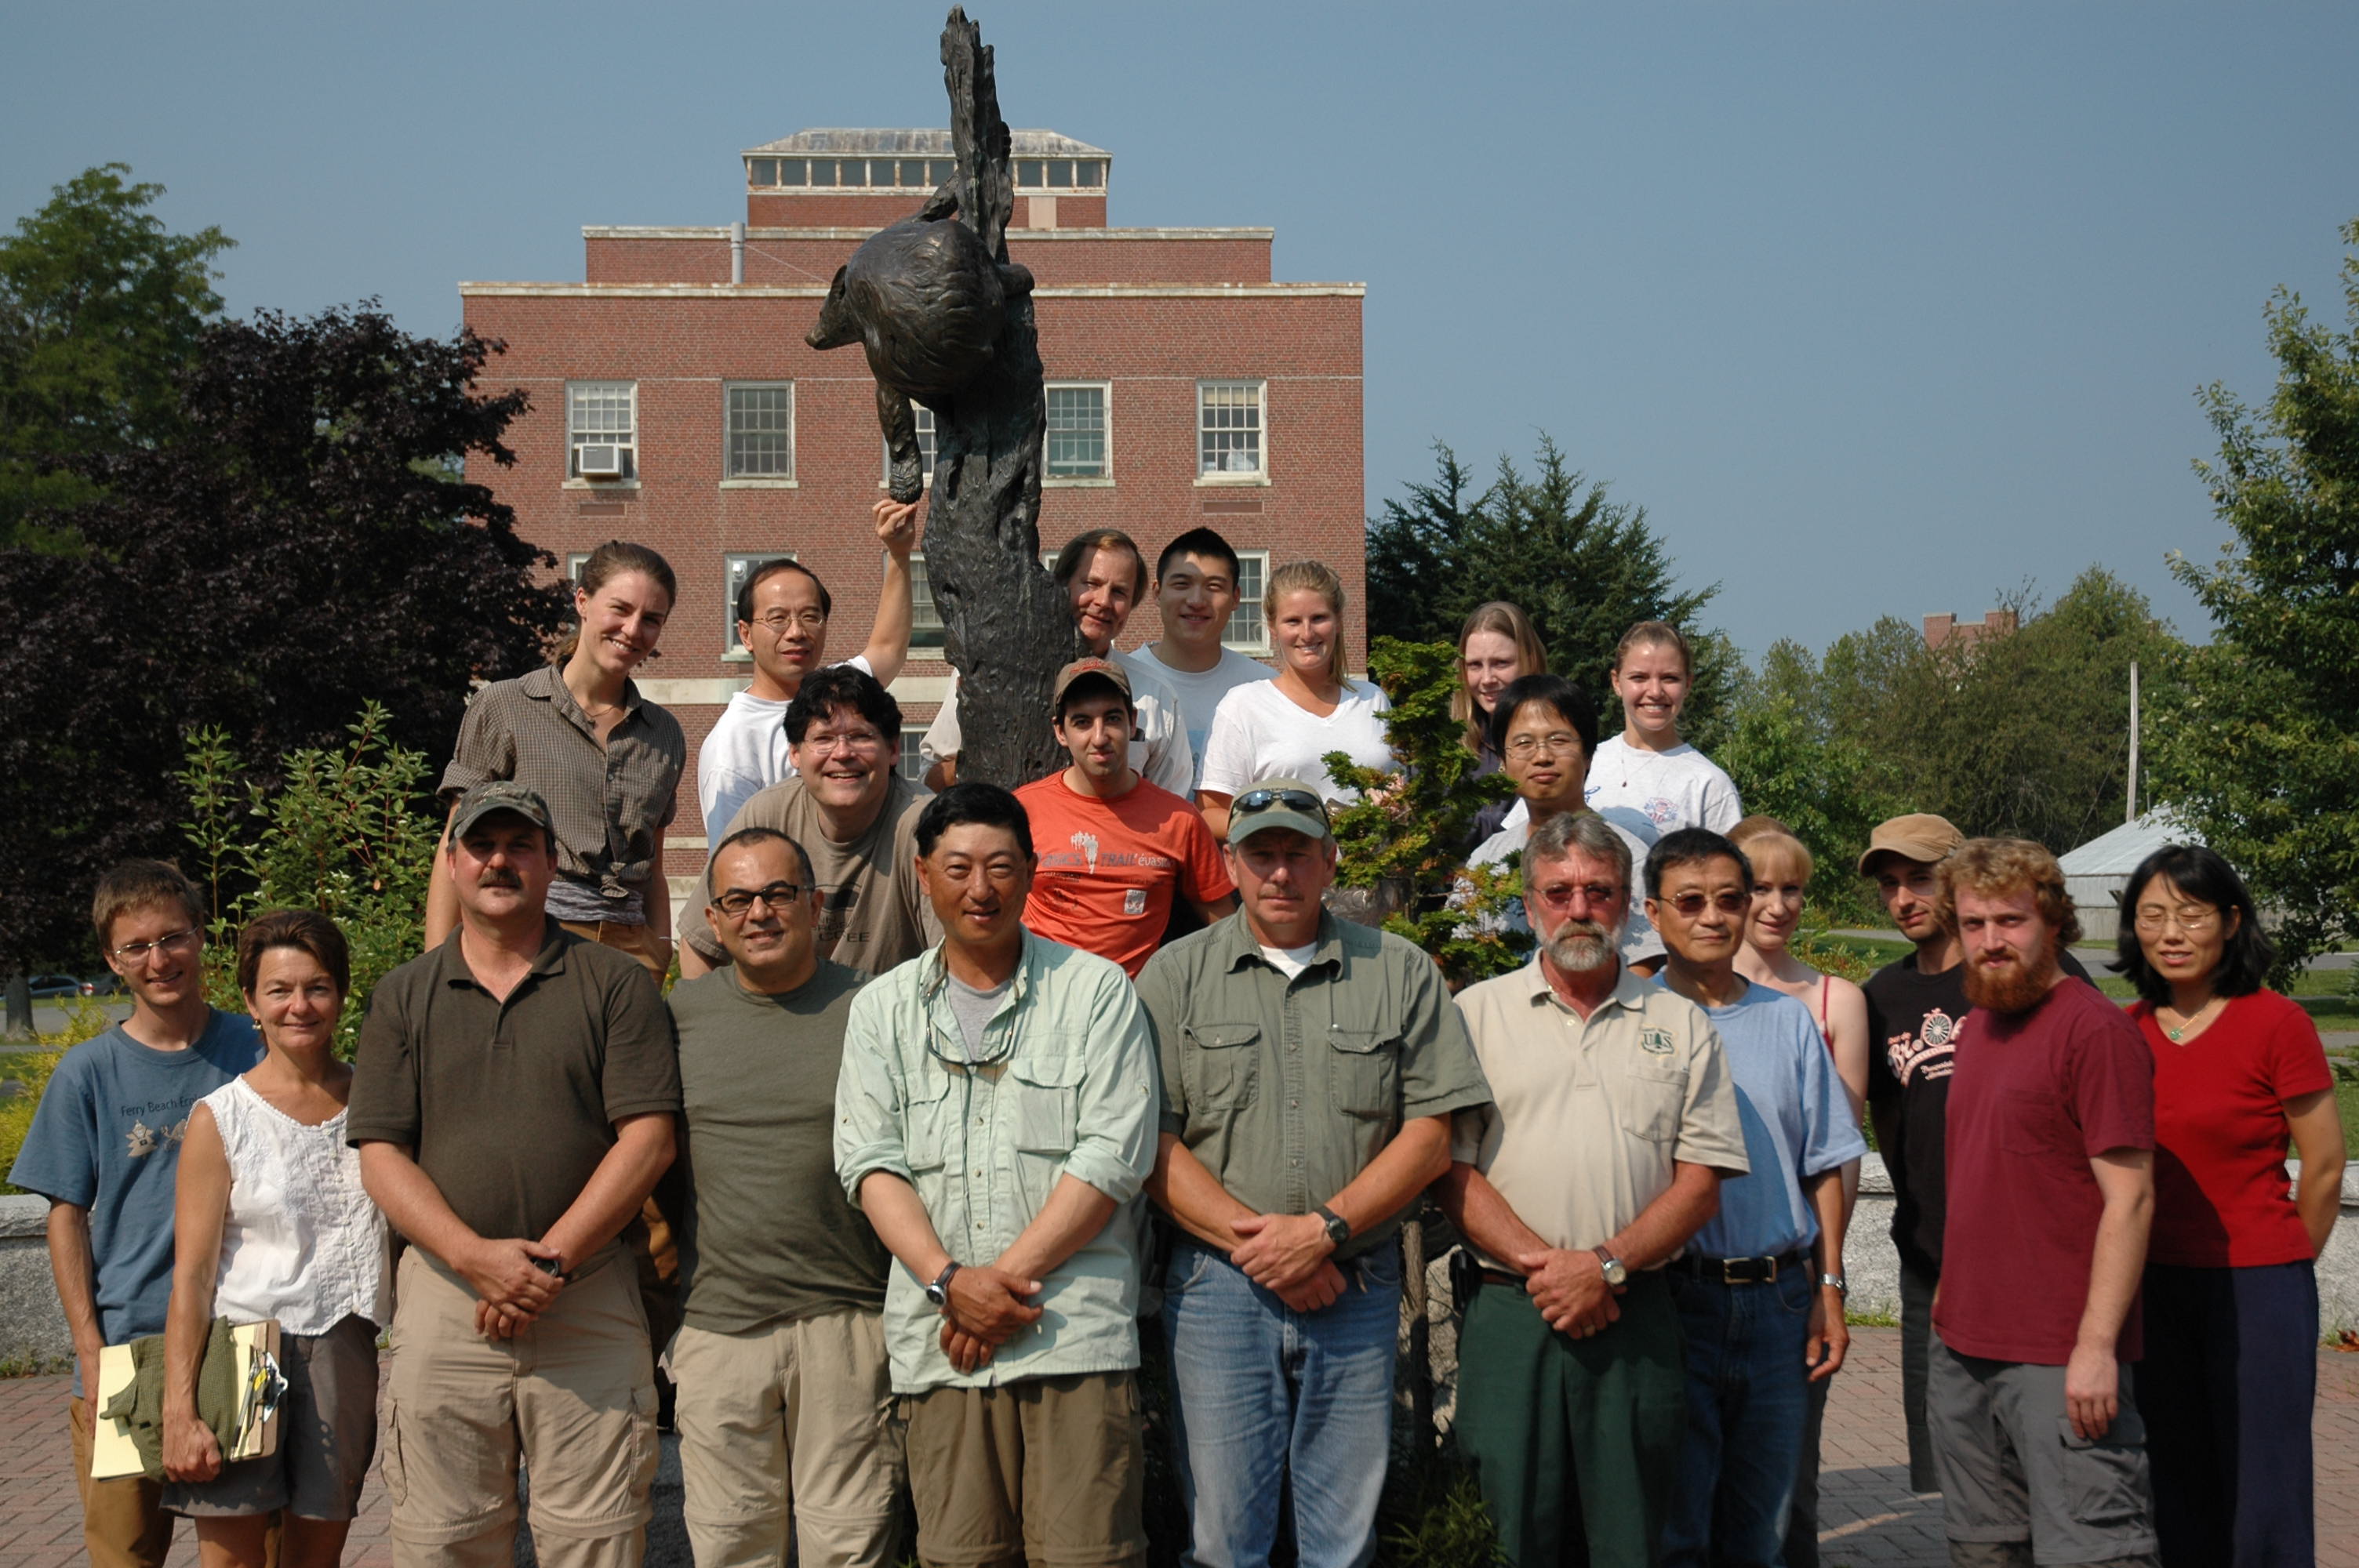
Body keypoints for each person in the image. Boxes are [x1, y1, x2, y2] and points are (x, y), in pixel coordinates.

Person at [1139, 779, 1492, 1568]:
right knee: (1225, 1539)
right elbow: (1151, 1145)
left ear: (1330, 862)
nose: (1279, 872)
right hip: (1217, 1292)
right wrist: (1270, 1248)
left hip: (1353, 1283)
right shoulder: (1172, 976)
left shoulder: (1397, 970)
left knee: (1341, 1539)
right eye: (1259, 853)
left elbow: (1431, 1131)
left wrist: (1322, 1233)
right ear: (1229, 864)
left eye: (1297, 852)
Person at [350, 780, 681, 1568]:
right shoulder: (404, 995)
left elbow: (648, 1139)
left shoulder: (617, 985)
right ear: (454, 863)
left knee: (596, 1540)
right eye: (482, 845)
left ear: (550, 862)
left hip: (589, 1293)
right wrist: (476, 1257)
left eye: (519, 845)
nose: (500, 860)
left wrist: (549, 1261)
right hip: (444, 1296)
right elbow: (381, 1153)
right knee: (445, 1540)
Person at [834, 782, 1160, 1568]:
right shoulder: (881, 1010)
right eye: (957, 867)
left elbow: (1113, 1152)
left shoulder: (1095, 992)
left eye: (1001, 866)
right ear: (922, 872)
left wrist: (991, 1285)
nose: (979, 888)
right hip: (944, 1344)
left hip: (1070, 1331)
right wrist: (950, 1280)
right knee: (960, 1554)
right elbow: (868, 1160)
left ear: (1031, 870)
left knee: (1090, 1555)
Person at [1438, 811, 1748, 1567]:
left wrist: (1603, 1266)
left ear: (1628, 902)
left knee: (1630, 1537)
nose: (1579, 910)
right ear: (1529, 900)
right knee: (1505, 1531)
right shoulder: (1476, 1014)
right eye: (1559, 892)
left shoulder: (1680, 1024)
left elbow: (1701, 1184)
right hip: (1513, 1311)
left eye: (1598, 892)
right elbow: (1450, 1170)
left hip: (1634, 1314)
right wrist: (1553, 1270)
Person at [8, 860, 265, 1568]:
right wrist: (90, 1356)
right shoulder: (87, 1073)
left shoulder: (254, 1046)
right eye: (138, 947)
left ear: (201, 938)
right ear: (111, 961)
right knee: (124, 1554)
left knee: (252, 1556)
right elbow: (65, 1216)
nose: (160, 960)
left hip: (243, 1339)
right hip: (124, 1349)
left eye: (173, 938)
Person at [667, 826, 902, 1568]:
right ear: (714, 919)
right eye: (737, 898)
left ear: (815, 903)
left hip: (850, 1323)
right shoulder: (676, 1021)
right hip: (719, 1328)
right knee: (732, 1547)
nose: (759, 912)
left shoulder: (878, 1010)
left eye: (778, 893)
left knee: (850, 1547)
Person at [1930, 837, 2158, 1568]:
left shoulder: (2094, 1030)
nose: (1991, 942)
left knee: (2093, 1554)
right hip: (1965, 1347)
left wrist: (2095, 1349)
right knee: (1984, 1552)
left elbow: (2131, 1200)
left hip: (2061, 1357)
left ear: (2054, 921)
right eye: (1973, 924)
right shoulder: (1983, 1022)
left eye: (2011, 921)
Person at [2114, 843, 2342, 1567]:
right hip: (2152, 1283)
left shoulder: (2276, 1024)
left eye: (2192, 914)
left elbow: (2327, 1166)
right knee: (2173, 1475)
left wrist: (2282, 1262)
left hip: (2259, 1286)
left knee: (2263, 1478)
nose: (2171, 933)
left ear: (2233, 921)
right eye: (2153, 915)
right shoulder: (2126, 1032)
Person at [1857, 812, 2095, 1497]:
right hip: (1934, 1269)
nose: (1905, 899)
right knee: (1963, 1485)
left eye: (1921, 879)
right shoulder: (1884, 996)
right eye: (1891, 885)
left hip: (2040, 1274)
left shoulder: (2031, 973)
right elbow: (1877, 1117)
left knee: (2062, 1475)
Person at [1645, 829, 1863, 1568]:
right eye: (1691, 901)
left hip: (1776, 1304)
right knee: (1677, 1525)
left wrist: (1829, 1287)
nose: (1713, 917)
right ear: (1654, 912)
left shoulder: (1788, 1021)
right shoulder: (1634, 1018)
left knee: (1764, 1526)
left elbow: (1826, 1164)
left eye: (1729, 901)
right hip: (1674, 1301)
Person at [159, 910, 389, 1567]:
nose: (299, 1006)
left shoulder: (378, 1100)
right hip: (246, 1354)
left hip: (345, 1346)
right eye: (279, 990)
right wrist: (180, 1408)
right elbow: (194, 1276)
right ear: (250, 1003)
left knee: (317, 1552)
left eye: (316, 987)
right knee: (232, 1557)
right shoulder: (223, 1117)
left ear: (341, 993)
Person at [428, 539, 686, 982]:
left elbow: (655, 871)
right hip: (533, 944)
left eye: (651, 620)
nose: (632, 629)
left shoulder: (663, 733)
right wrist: (434, 972)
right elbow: (455, 844)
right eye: (620, 609)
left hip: (632, 954)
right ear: (582, 601)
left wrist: (659, 958)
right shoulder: (506, 706)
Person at [1724, 815, 1870, 1568]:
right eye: (1760, 887)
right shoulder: (1676, 992)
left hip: (1794, 1269)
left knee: (1787, 1487)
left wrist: (1830, 1273)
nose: (1777, 905)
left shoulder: (1832, 1001)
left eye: (1794, 890)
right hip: (1702, 1263)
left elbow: (1836, 1154)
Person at [680, 664, 936, 980]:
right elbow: (701, 944)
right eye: (824, 739)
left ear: (893, 749)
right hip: (785, 1017)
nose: (842, 753)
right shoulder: (766, 816)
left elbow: (959, 958)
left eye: (860, 736)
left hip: (893, 1022)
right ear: (795, 754)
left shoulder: (928, 827)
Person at [696, 499, 921, 843]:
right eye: (777, 619)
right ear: (745, 634)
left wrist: (899, 554)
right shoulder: (733, 744)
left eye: (810, 617)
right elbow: (734, 857)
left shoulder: (844, 691)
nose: (797, 632)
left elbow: (889, 647)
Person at [920, 527, 1194, 797]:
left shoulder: (1157, 698)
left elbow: (1172, 804)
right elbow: (928, 778)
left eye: (1119, 592)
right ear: (1059, 585)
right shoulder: (986, 670)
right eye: (1091, 584)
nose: (1103, 602)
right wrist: (983, 759)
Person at [1014, 657, 1236, 976]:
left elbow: (1224, 926)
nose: (1100, 737)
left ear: (1132, 723)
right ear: (1060, 731)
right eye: (1082, 722)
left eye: (1112, 718)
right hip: (1041, 1003)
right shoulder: (1022, 811)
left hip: (1135, 1008)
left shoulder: (1178, 819)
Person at [1463, 673, 1662, 969]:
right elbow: (1459, 958)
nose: (1542, 756)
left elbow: (1645, 966)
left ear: (1588, 755)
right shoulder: (1487, 859)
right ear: (1503, 762)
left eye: (1558, 740)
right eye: (1523, 743)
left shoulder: (1630, 856)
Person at [1197, 560, 1394, 841]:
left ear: (1338, 620)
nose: (1307, 634)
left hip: (1376, 878)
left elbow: (1401, 792)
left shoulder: (1373, 699)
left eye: (1318, 618)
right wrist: (1281, 824)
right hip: (1285, 876)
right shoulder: (1244, 706)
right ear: (1273, 627)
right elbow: (1209, 813)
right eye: (1293, 621)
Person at [1583, 620, 1741, 858]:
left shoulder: (1709, 785)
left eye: (1669, 678)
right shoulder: (1582, 763)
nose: (1655, 691)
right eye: (1639, 677)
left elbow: (1728, 880)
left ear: (1688, 684)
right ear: (1617, 682)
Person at [1135, 527, 1275, 791]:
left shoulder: (1267, 689)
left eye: (1214, 587)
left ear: (1236, 598)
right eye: (1182, 584)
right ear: (1157, 592)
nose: (1197, 600)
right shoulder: (1123, 680)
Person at [1454, 601, 1549, 777]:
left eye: (1501, 663)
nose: (1487, 679)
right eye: (1475, 665)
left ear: (1531, 660)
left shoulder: (1559, 746)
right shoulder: (1451, 750)